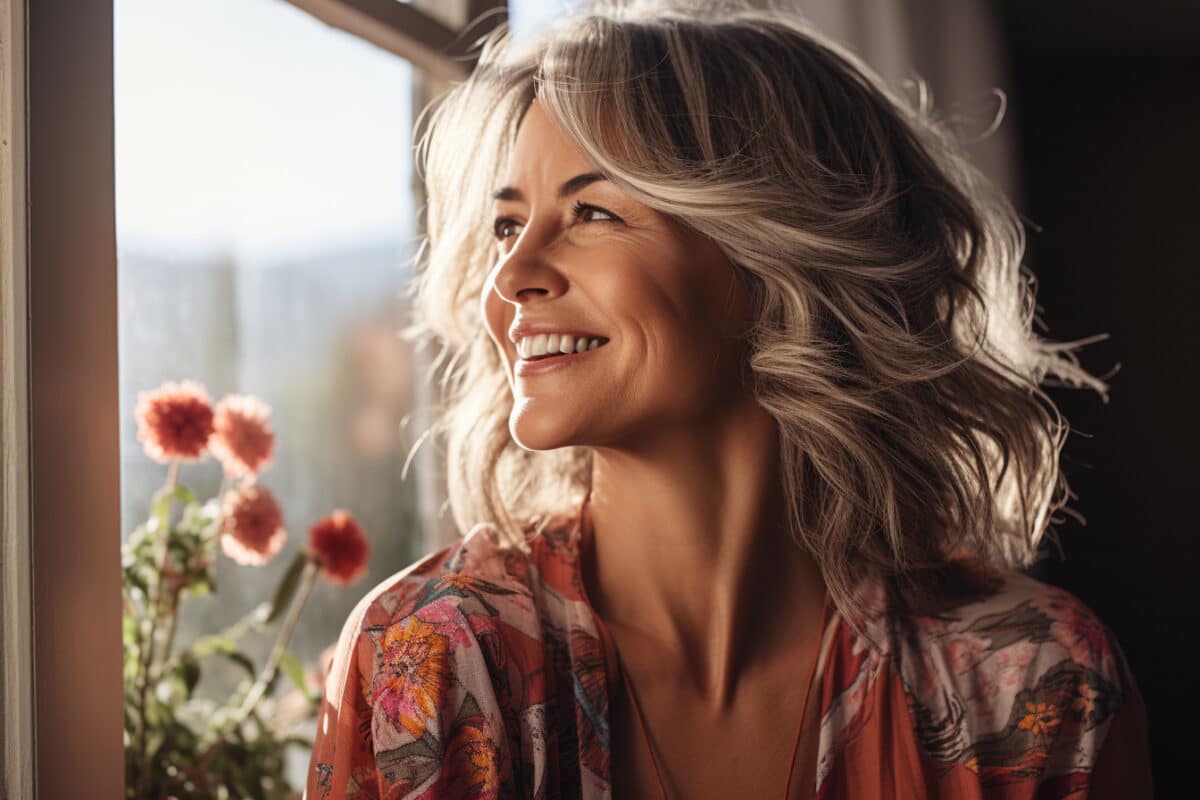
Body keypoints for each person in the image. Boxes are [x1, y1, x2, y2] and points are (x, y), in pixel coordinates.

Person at [305, 2, 1154, 798]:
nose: (512, 275)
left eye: (593, 211)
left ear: (774, 260)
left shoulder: (1036, 684)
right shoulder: (433, 659)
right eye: (505, 224)